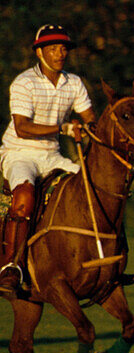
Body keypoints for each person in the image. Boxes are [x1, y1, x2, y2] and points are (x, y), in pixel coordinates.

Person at [1, 25, 96, 297]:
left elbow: (90, 118)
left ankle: (110, 261)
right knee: (25, 195)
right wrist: (64, 128)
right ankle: (11, 266)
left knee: (92, 188)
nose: (60, 54)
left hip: (52, 155)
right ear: (40, 52)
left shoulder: (74, 82)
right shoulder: (23, 82)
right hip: (20, 152)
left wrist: (89, 128)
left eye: (63, 48)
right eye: (53, 48)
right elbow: (22, 127)